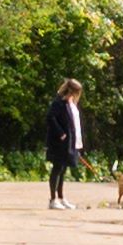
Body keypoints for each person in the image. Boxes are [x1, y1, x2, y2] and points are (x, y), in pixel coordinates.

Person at [41, 78, 89, 210]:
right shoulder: (59, 102)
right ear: (72, 91)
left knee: (63, 170)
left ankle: (61, 198)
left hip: (69, 143)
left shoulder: (70, 103)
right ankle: (52, 199)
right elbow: (50, 118)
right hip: (59, 143)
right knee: (57, 169)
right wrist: (61, 133)